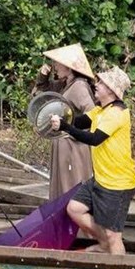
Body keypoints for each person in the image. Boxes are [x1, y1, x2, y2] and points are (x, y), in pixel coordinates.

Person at [59, 66, 135, 255]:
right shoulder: (101, 110)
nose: (96, 85)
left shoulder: (116, 113)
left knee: (113, 235)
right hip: (101, 178)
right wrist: (60, 120)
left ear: (110, 90)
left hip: (117, 183)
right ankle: (103, 245)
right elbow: (80, 122)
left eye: (101, 83)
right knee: (75, 208)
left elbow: (94, 139)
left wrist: (65, 128)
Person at [35, 44, 99, 196]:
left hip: (73, 146)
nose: (55, 66)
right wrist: (43, 76)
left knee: (70, 187)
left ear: (69, 66)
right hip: (64, 144)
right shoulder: (66, 84)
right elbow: (43, 92)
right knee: (61, 188)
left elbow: (92, 115)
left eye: (58, 63)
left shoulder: (79, 86)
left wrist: (70, 128)